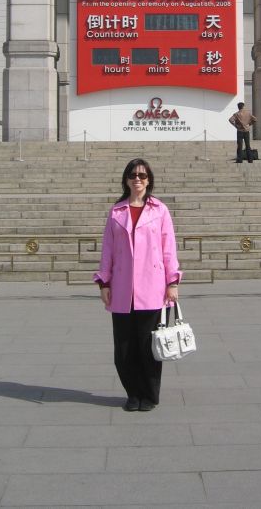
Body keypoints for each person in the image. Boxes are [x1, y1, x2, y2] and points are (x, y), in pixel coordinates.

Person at [93, 158, 181, 413]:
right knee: (124, 347)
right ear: (126, 180)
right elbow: (107, 249)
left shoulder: (159, 210)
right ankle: (132, 393)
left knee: (148, 345)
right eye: (133, 175)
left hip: (152, 286)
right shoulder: (116, 211)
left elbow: (169, 248)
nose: (138, 179)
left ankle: (149, 394)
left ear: (149, 180)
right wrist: (104, 282)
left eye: (142, 176)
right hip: (121, 288)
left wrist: (172, 282)